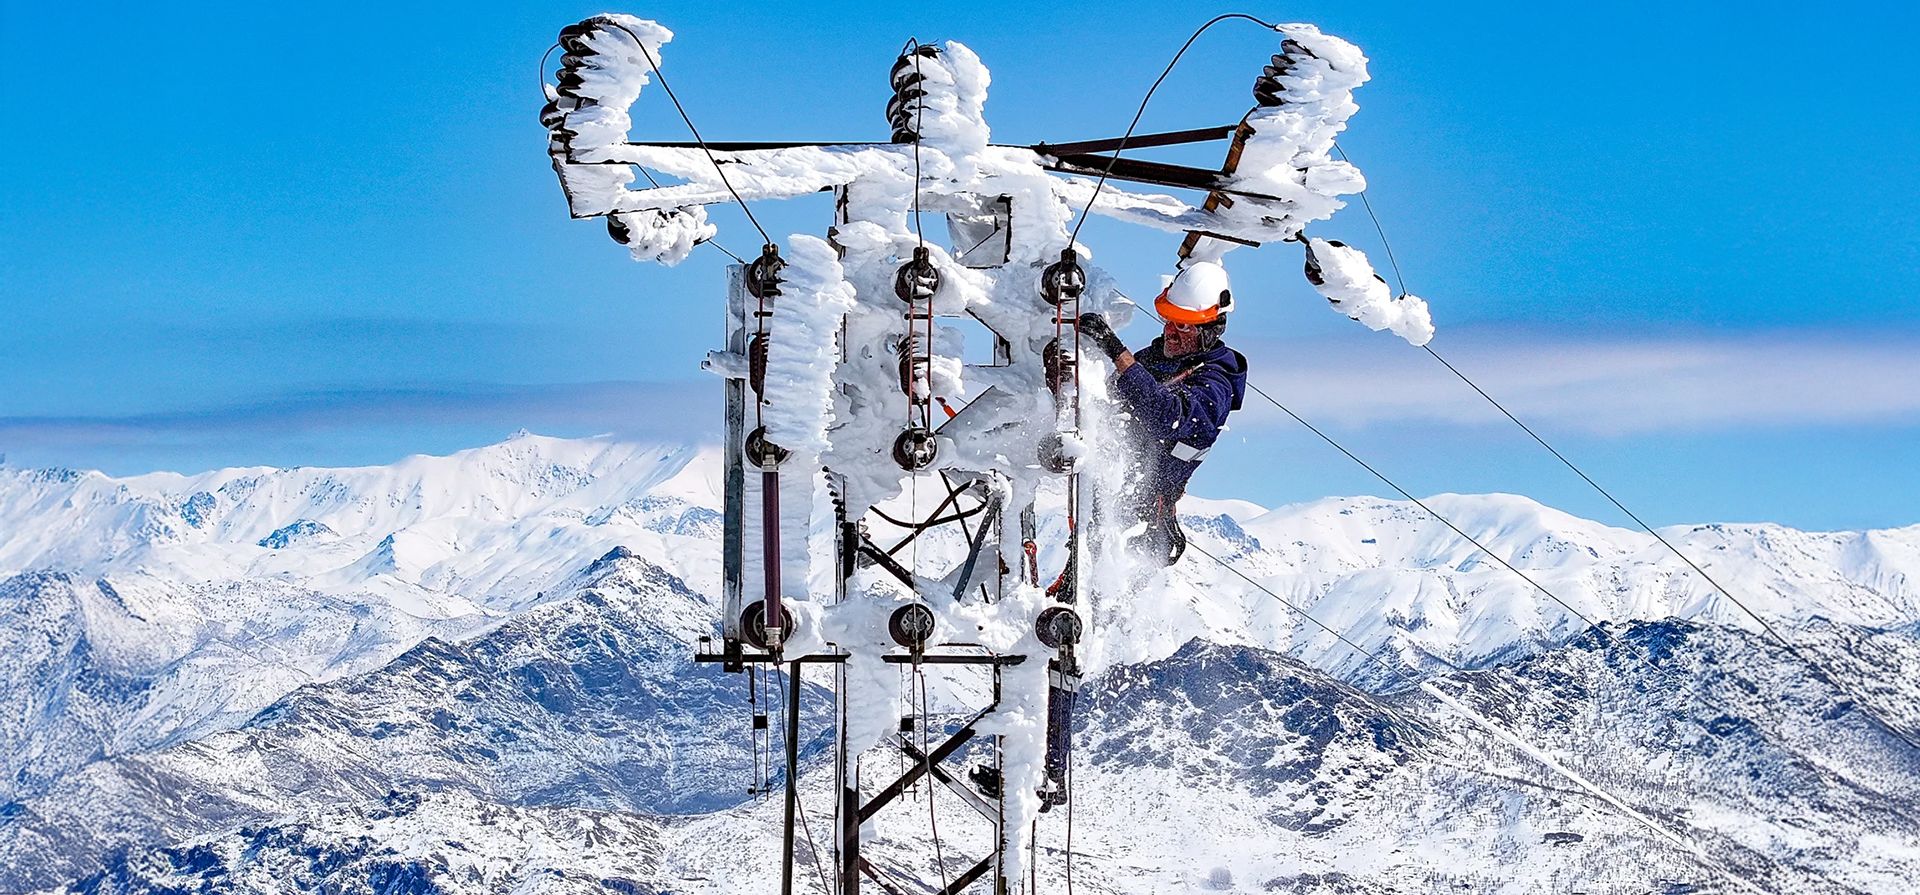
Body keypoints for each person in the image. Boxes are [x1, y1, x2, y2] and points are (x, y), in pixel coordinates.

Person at [1077, 260, 1248, 565]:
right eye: (1167, 319)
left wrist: (1116, 351)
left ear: (1211, 330)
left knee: (1105, 597)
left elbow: (1166, 417)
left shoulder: (1216, 385)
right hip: (1105, 492)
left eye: (1182, 324)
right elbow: (1111, 393)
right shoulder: (1158, 358)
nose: (1170, 331)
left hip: (1141, 522)